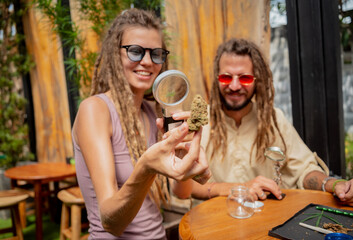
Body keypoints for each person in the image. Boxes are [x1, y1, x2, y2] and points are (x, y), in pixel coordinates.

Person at [72, 8, 210, 239]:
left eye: (156, 54)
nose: (147, 61)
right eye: (135, 51)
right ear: (115, 55)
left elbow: (181, 192)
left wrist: (186, 159)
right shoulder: (95, 110)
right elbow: (111, 222)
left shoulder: (151, 113)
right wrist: (146, 169)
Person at [186, 38, 353, 206]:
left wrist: (335, 184)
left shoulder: (275, 120)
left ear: (256, 79)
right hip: (213, 223)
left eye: (244, 78)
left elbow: (304, 170)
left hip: (264, 222)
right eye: (226, 77)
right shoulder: (200, 122)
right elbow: (182, 186)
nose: (235, 86)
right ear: (217, 79)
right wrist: (238, 188)